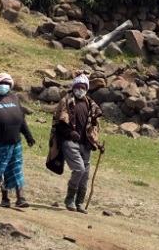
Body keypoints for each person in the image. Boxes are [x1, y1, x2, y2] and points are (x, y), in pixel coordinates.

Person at [0, 72, 35, 208]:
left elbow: (21, 120)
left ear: (10, 85)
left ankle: (21, 198)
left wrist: (28, 136)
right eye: (2, 83)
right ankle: (5, 198)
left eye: (7, 84)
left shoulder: (14, 98)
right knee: (2, 172)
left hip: (15, 142)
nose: (4, 86)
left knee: (16, 169)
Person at [49, 73, 104, 213]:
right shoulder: (66, 102)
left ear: (86, 88)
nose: (80, 89)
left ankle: (79, 203)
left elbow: (92, 127)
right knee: (79, 169)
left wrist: (96, 143)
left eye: (83, 87)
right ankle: (69, 199)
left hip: (85, 144)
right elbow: (59, 123)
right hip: (70, 142)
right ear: (73, 87)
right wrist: (69, 132)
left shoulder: (90, 104)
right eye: (78, 87)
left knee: (85, 175)